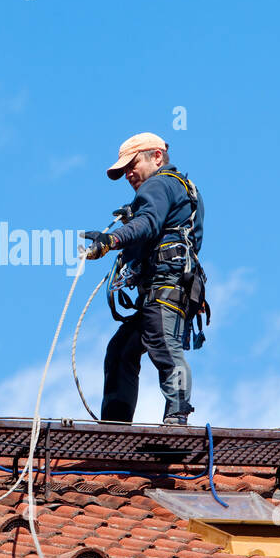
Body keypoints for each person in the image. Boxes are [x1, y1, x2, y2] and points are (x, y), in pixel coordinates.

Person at [81, 132, 208, 426]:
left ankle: (177, 419)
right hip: (171, 290)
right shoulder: (183, 189)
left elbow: (149, 223)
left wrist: (111, 240)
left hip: (166, 289)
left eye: (132, 165)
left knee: (162, 344)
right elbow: (170, 234)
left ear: (157, 157)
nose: (128, 174)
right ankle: (114, 425)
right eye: (124, 170)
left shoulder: (159, 184)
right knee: (121, 350)